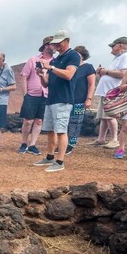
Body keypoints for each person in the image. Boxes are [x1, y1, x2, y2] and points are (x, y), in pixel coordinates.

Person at [34, 30, 80, 172]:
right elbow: (46, 84)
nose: (56, 45)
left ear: (67, 41)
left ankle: (60, 162)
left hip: (63, 99)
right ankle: (49, 157)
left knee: (61, 130)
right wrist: (42, 75)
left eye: (59, 42)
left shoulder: (73, 56)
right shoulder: (55, 60)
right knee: (50, 130)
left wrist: (51, 68)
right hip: (51, 99)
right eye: (55, 43)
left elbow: (69, 74)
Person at [91, 36, 127, 148]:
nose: (111, 49)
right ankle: (101, 139)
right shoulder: (118, 57)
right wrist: (105, 72)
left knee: (110, 115)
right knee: (103, 116)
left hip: (112, 91)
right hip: (106, 91)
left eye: (112, 46)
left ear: (119, 45)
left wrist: (105, 71)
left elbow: (123, 73)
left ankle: (114, 140)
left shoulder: (126, 56)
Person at [18, 37, 54, 155]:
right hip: (31, 94)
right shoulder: (33, 59)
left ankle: (32, 144)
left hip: (46, 95)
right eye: (52, 44)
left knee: (39, 121)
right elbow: (24, 76)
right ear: (46, 45)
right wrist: (25, 94)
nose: (55, 46)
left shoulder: (55, 62)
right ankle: (24, 143)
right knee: (28, 121)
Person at [69, 46, 96, 153]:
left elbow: (91, 84)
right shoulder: (69, 67)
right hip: (67, 99)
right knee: (65, 121)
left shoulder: (88, 67)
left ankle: (71, 144)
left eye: (78, 53)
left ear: (82, 55)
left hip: (80, 100)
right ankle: (63, 142)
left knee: (75, 122)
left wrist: (89, 99)